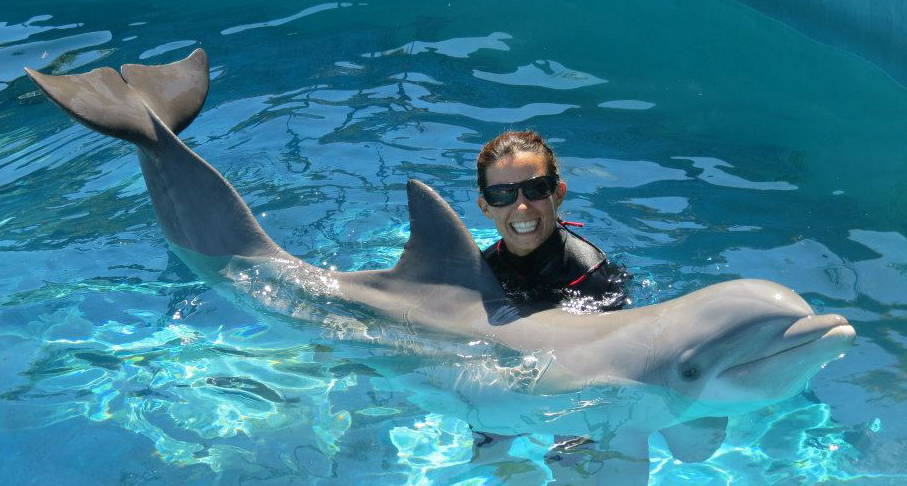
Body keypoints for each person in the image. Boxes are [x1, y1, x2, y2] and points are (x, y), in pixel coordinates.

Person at [476, 131, 630, 312]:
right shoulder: (480, 271)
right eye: (502, 194)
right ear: (485, 207)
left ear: (558, 194)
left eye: (536, 188)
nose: (522, 207)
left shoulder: (594, 280)